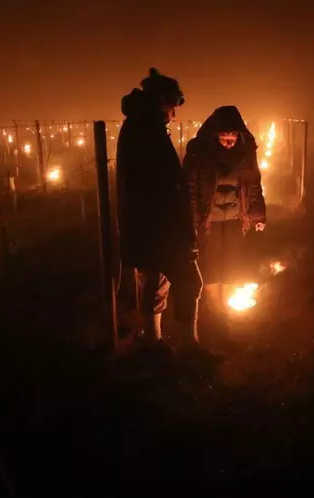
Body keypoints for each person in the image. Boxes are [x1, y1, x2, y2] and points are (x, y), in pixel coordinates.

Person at [116, 68, 206, 356]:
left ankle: (152, 343)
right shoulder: (147, 131)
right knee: (189, 282)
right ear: (163, 102)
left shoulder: (140, 126)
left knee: (155, 281)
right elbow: (163, 187)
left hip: (145, 226)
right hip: (161, 227)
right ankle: (186, 345)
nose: (175, 114)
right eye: (173, 105)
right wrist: (183, 230)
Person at [183, 106, 266, 326]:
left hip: (235, 219)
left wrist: (257, 215)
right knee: (209, 262)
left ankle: (228, 309)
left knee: (233, 261)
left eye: (233, 136)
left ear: (240, 135)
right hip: (208, 219)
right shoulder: (199, 151)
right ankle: (212, 310)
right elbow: (190, 187)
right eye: (224, 136)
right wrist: (192, 218)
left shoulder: (246, 152)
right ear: (214, 134)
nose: (229, 141)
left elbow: (254, 183)